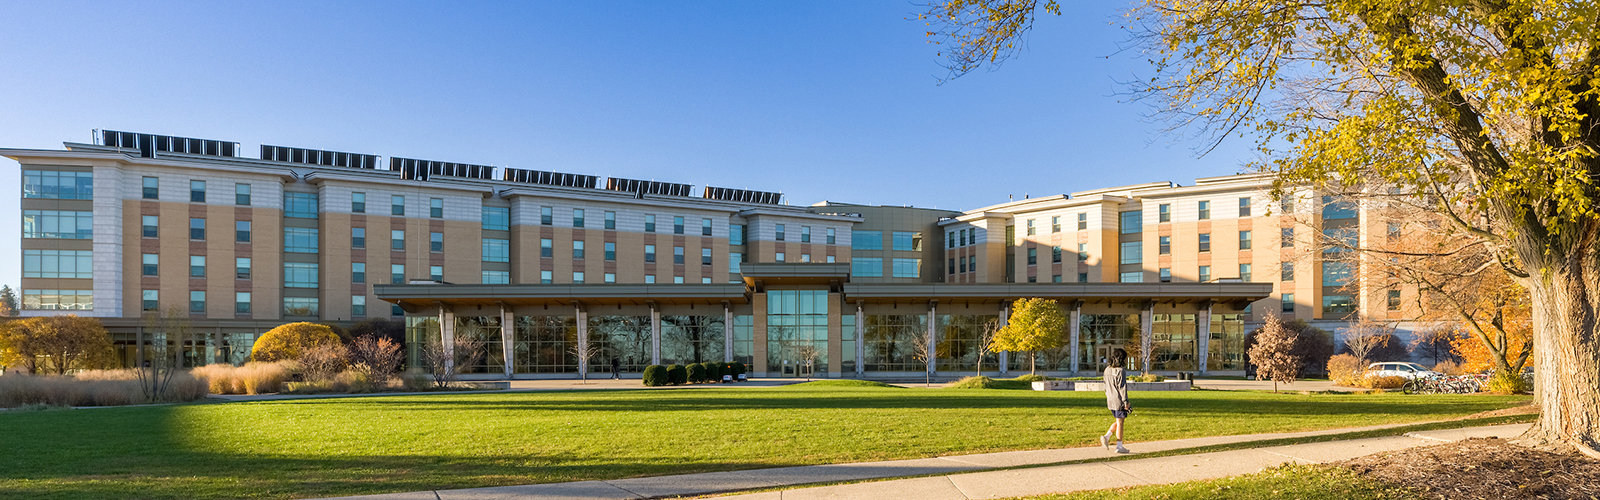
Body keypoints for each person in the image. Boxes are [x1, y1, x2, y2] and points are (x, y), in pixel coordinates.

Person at [1100, 348, 1132, 454]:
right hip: (1118, 400)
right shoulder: (1121, 371)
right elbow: (1122, 387)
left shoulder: (1107, 370)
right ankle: (1119, 445)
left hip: (1110, 399)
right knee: (1120, 422)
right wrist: (1125, 402)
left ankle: (1107, 436)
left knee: (1118, 420)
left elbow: (1105, 385)